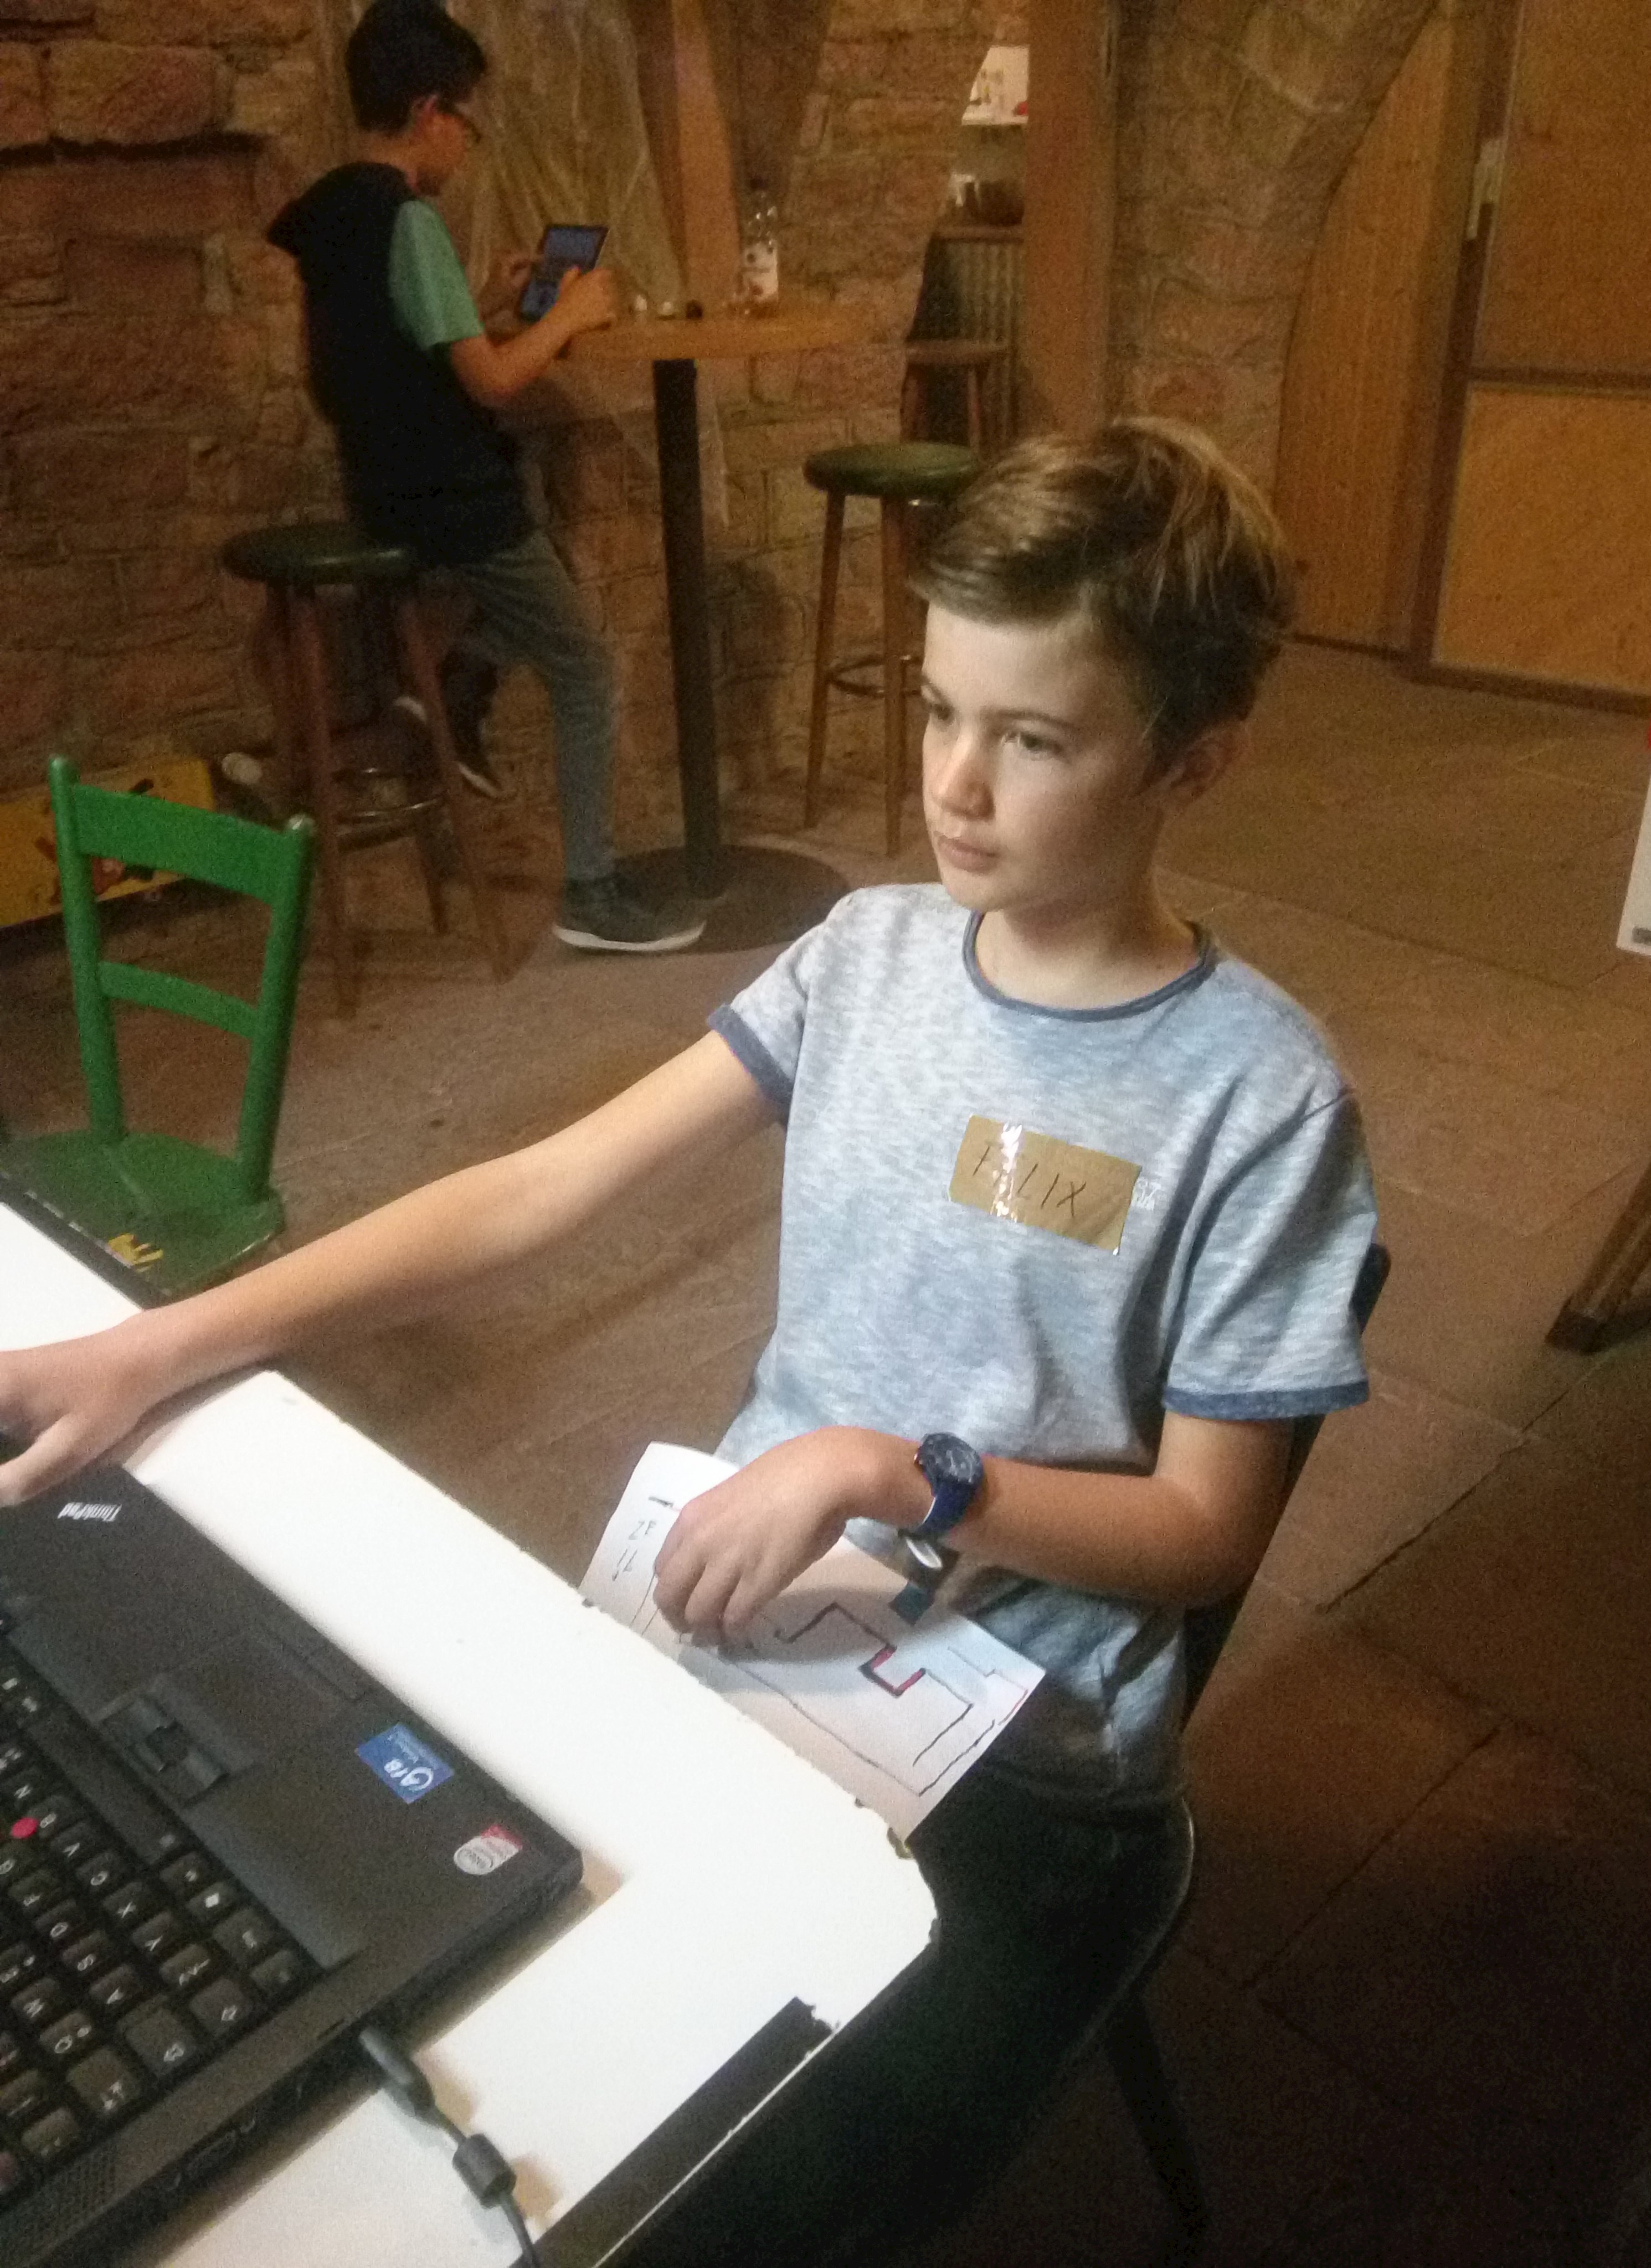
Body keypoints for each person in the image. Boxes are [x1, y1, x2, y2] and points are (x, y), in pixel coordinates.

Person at [0, 420, 1376, 2262]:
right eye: (941, 708)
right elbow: (540, 1186)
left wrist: (898, 1471)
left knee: (720, 2172)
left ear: (1193, 759)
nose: (955, 783)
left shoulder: (1258, 1101)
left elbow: (1205, 1532)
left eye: (1036, 739)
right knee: (399, 1918)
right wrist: (170, 1343)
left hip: (1017, 1749)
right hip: (741, 1608)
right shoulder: (866, 957)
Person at [267, 0, 703, 954]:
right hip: (454, 503)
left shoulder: (328, 216)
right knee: (583, 667)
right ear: (430, 111)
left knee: (529, 610)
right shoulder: (409, 218)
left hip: (382, 491)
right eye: (468, 119)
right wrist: (570, 313)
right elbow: (496, 383)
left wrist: (489, 304)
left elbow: (336, 370)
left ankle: (447, 689)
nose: (469, 142)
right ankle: (591, 892)